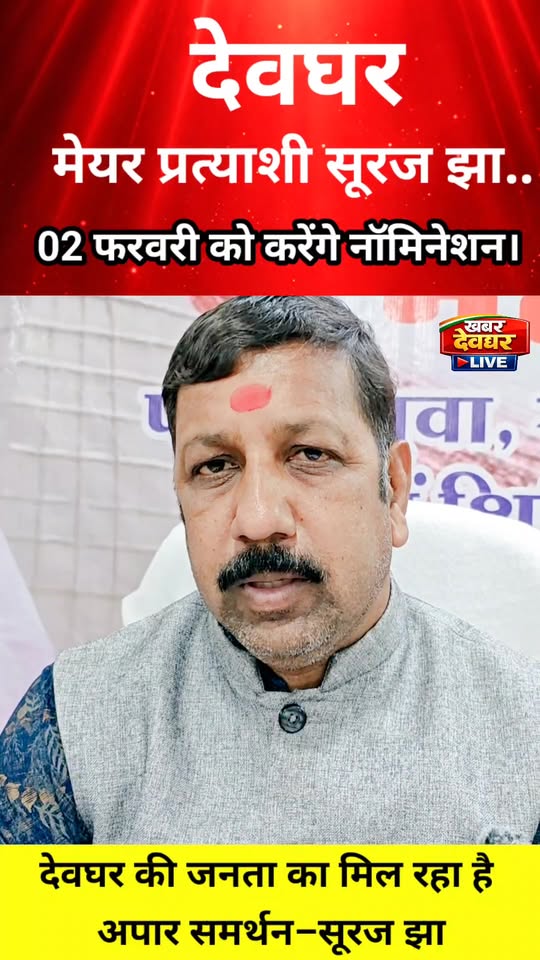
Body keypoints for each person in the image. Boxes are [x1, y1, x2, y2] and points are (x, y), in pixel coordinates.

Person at [0, 295, 538, 844]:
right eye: (215, 466)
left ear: (394, 491)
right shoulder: (74, 719)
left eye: (310, 455)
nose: (258, 520)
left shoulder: (525, 729)